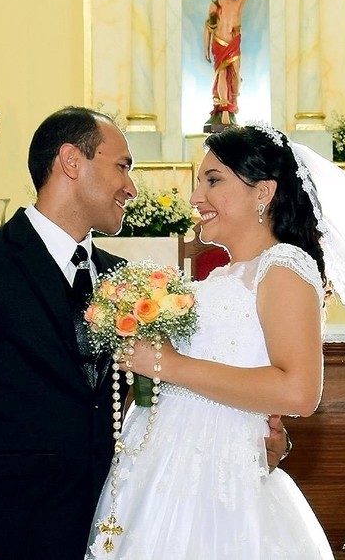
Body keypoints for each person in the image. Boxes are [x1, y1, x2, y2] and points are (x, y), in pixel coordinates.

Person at [0, 108, 289, 560]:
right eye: (123, 166)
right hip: (7, 531)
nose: (132, 188)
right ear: (71, 162)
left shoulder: (125, 280)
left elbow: (156, 401)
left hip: (113, 527)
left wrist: (248, 440)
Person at [85, 124, 332, 558]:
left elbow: (299, 391)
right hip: (164, 472)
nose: (196, 197)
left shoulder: (284, 268)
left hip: (217, 485)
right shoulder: (222, 275)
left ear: (264, 192)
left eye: (213, 180)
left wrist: (168, 365)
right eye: (199, 182)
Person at [204, 0, 254, 128]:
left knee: (234, 74)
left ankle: (233, 101)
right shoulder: (216, 5)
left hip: (233, 42)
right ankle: (224, 108)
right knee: (222, 74)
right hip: (219, 42)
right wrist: (206, 48)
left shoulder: (238, 3)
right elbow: (209, 28)